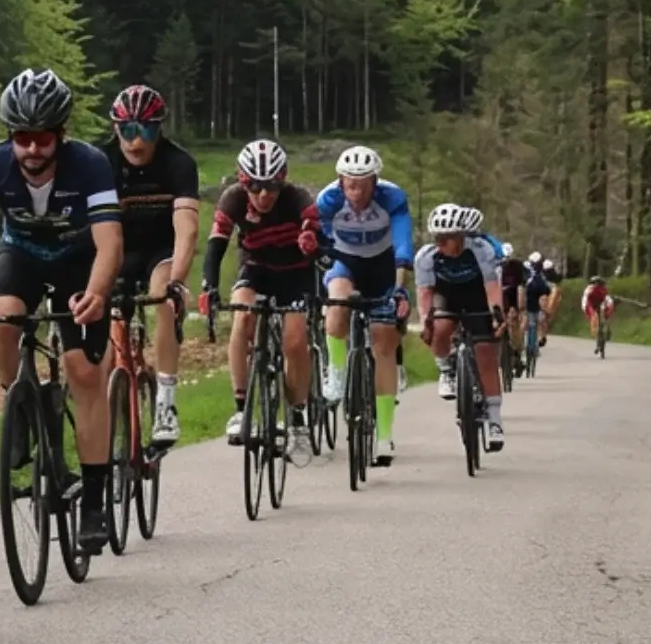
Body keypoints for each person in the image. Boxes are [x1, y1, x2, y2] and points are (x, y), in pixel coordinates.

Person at [0, 68, 123, 548]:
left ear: (60, 134)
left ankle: (96, 498)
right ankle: (26, 402)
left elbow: (109, 243)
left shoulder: (91, 164)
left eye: (42, 138)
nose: (33, 150)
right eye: (22, 138)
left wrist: (98, 294)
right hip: (19, 253)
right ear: (9, 135)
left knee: (83, 372)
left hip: (79, 260)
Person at [95, 84, 198, 446]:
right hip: (118, 250)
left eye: (147, 130)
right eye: (127, 130)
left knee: (162, 298)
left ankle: (167, 403)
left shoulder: (178, 163)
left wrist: (179, 281)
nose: (136, 141)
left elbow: (186, 230)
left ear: (160, 129)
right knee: (102, 329)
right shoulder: (100, 162)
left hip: (161, 250)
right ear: (115, 129)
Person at [200, 139, 319, 448]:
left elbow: (316, 229)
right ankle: (241, 410)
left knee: (295, 341)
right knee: (242, 320)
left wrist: (310, 237)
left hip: (295, 273)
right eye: (255, 187)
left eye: (272, 187)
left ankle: (297, 417)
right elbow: (215, 247)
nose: (264, 194)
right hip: (256, 269)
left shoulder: (297, 197)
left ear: (283, 182)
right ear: (243, 183)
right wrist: (209, 287)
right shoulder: (233, 199)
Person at [312, 145, 413, 466]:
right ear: (340, 181)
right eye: (350, 183)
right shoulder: (328, 200)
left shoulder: (392, 198)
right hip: (345, 263)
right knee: (338, 300)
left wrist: (399, 289)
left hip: (382, 267)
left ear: (375, 181)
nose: (356, 190)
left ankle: (384, 436)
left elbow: (403, 245)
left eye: (363, 183)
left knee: (384, 342)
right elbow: (320, 244)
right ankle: (337, 374)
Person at [415, 202, 507, 453]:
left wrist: (497, 315)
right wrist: (425, 320)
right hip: (446, 295)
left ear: (461, 237)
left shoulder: (481, 249)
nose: (441, 243)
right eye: (437, 238)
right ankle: (447, 369)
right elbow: (425, 293)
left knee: (486, 354)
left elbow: (492, 287)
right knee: (440, 327)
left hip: (477, 295)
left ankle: (495, 420)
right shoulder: (427, 256)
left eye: (446, 238)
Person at [497, 241, 529, 374]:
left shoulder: (517, 266)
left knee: (514, 321)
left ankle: (517, 350)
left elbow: (522, 285)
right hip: (497, 294)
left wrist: (519, 307)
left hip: (513, 295)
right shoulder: (492, 264)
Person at [524, 254, 552, 353]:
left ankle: (530, 345)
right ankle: (533, 346)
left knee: (532, 324)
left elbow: (525, 288)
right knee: (536, 324)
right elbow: (547, 290)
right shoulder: (541, 277)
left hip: (530, 303)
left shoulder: (528, 275)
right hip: (537, 304)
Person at [582, 275, 616, 345]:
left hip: (600, 303)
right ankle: (595, 332)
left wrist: (609, 307)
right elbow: (585, 301)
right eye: (594, 283)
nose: (596, 285)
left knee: (607, 313)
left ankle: (607, 330)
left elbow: (608, 300)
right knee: (594, 315)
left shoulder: (604, 290)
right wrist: (587, 311)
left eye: (599, 284)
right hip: (590, 303)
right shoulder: (589, 289)